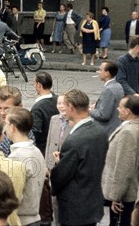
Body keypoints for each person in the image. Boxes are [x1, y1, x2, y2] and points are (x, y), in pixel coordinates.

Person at [50, 89, 109, 226]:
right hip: (93, 203)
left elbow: (60, 177)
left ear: (71, 107)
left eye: (64, 105)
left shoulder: (74, 141)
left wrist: (59, 164)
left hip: (75, 209)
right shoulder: (100, 131)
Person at [6, 107, 47, 226]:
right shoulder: (36, 151)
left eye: (6, 124)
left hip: (21, 220)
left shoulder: (17, 157)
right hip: (34, 216)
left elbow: (13, 195)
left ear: (12, 127)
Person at [102, 95, 139, 226]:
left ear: (128, 111)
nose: (118, 109)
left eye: (121, 107)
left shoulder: (128, 132)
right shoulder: (131, 126)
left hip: (125, 196)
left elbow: (124, 167)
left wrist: (116, 197)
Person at [44, 94, 71, 225]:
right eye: (59, 103)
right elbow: (49, 141)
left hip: (65, 162)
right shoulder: (54, 119)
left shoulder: (73, 121)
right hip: (52, 163)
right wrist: (47, 163)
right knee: (53, 195)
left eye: (64, 103)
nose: (61, 106)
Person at [90, 60, 124, 137]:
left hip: (107, 131)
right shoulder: (118, 86)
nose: (98, 72)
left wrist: (90, 110)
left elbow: (103, 115)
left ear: (107, 73)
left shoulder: (109, 89)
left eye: (100, 70)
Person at [30, 72, 59, 155]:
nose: (34, 86)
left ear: (39, 85)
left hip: (42, 147)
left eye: (34, 83)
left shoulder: (38, 107)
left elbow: (35, 131)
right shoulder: (57, 99)